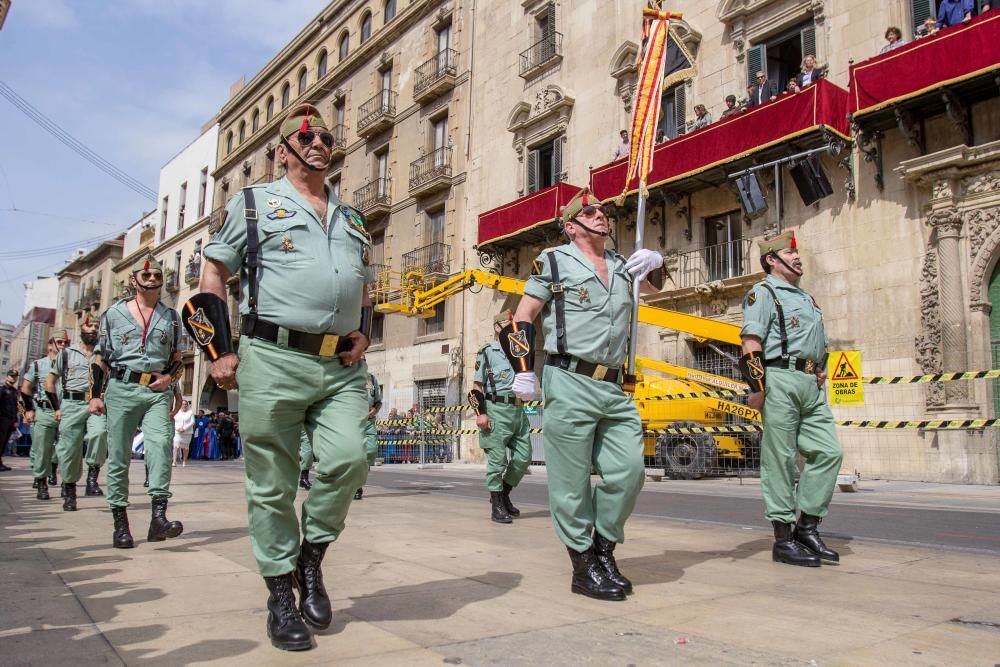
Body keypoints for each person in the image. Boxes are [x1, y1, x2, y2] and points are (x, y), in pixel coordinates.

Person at [190, 103, 373, 652]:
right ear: (283, 150)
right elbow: (213, 275)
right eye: (306, 136)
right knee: (270, 485)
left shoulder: (353, 217)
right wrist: (218, 350)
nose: (319, 142)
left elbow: (364, 284)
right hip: (272, 356)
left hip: (340, 363)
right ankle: (279, 597)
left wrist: (365, 328)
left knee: (349, 458)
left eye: (325, 135)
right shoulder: (253, 204)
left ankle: (309, 559)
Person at [501, 187, 664, 602]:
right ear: (571, 227)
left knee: (630, 472)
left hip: (615, 384)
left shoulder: (623, 265)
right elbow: (523, 317)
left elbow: (654, 291)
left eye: (602, 210)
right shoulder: (554, 262)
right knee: (571, 481)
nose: (600, 215)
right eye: (589, 212)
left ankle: (604, 547)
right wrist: (522, 372)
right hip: (569, 379)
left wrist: (656, 264)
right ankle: (582, 563)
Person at [738, 230, 843, 568]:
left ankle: (807, 527)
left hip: (810, 382)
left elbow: (815, 342)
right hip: (779, 378)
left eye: (797, 253)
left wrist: (820, 369)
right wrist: (757, 389)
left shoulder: (807, 298)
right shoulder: (764, 293)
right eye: (790, 253)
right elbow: (751, 342)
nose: (798, 258)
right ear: (772, 259)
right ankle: (783, 538)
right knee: (780, 459)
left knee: (829, 451)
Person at [89, 252, 185, 549]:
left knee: (159, 445)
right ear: (134, 280)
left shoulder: (171, 317)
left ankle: (159, 518)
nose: (153, 280)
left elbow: (177, 360)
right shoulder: (113, 314)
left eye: (157, 275)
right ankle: (120, 522)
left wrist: (173, 383)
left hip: (157, 391)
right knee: (118, 456)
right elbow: (99, 359)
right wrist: (94, 396)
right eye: (147, 276)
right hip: (121, 388)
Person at [470, 311, 532, 524]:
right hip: (496, 410)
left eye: (513, 323)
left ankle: (504, 494)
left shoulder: (520, 350)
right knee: (497, 462)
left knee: (524, 457)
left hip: (518, 410)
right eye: (507, 323)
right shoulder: (488, 352)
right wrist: (481, 413)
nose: (512, 327)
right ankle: (497, 505)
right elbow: (476, 388)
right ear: (498, 327)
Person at [45, 316, 109, 510]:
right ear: (81, 328)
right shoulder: (66, 354)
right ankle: (70, 488)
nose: (93, 329)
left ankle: (92, 476)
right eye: (90, 326)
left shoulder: (104, 353)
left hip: (95, 403)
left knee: (100, 433)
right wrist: (56, 407)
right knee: (70, 449)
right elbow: (50, 382)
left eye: (96, 327)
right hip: (71, 404)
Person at [21, 341, 60, 492]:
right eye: (60, 342)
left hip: (65, 410)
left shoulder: (69, 363)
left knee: (61, 448)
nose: (63, 345)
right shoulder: (38, 365)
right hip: (44, 410)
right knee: (42, 448)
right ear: (50, 346)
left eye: (66, 342)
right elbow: (25, 388)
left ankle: (52, 472)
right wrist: (28, 409)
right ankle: (41, 480)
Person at [355, 369, 382, 500]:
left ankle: (358, 482)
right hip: (352, 420)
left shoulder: (371, 378)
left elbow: (378, 400)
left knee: (370, 451)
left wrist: (374, 410)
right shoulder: (348, 374)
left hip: (369, 421)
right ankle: (356, 486)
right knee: (354, 454)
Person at [0, 369, 20, 472]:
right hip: (2, 419)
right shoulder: (2, 389)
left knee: (4, 442)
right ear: (7, 377)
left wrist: (15, 420)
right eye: (12, 376)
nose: (14, 378)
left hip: (10, 420)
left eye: (15, 376)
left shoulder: (14, 391)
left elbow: (15, 406)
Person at [173, 399, 194, 466]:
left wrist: (184, 428)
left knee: (185, 448)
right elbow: (173, 421)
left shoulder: (190, 412)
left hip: (187, 433)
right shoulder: (177, 412)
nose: (184, 405)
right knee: (176, 446)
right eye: (183, 404)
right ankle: (174, 461)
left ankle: (184, 461)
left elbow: (192, 422)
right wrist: (177, 428)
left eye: (185, 404)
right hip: (177, 432)